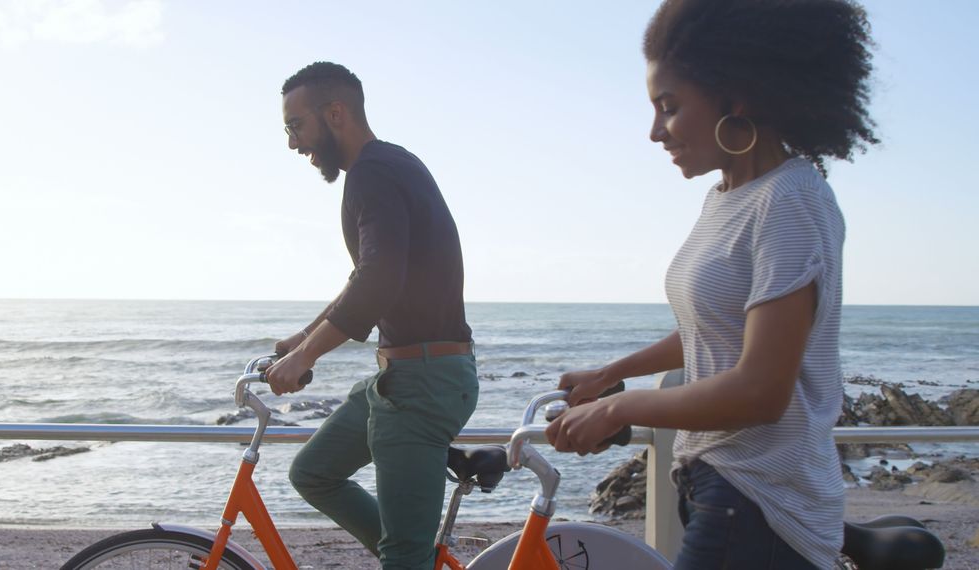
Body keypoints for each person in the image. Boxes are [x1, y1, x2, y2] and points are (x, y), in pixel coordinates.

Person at [545, 1, 878, 568]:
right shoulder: (726, 199)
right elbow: (715, 326)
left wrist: (619, 411)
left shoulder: (790, 200)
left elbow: (761, 391)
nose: (655, 132)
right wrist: (612, 375)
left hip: (762, 503)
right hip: (714, 488)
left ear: (734, 95)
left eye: (668, 108)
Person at [263, 61, 478, 570]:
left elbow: (380, 278)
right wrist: (301, 339)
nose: (293, 143)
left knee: (403, 559)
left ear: (335, 113)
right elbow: (369, 274)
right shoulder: (393, 163)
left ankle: (408, 555)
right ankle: (411, 550)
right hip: (403, 377)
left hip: (421, 386)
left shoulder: (371, 175)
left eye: (296, 126)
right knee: (313, 472)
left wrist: (305, 357)